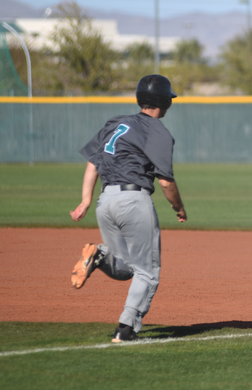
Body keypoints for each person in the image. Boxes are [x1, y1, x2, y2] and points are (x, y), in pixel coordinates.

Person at [69, 74, 187, 342]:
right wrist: (179, 208)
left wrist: (86, 200)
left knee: (125, 267)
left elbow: (92, 163)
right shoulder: (158, 131)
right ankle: (126, 328)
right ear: (164, 102)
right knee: (148, 271)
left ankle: (99, 255)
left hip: (105, 201)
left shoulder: (116, 123)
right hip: (134, 201)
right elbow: (166, 182)